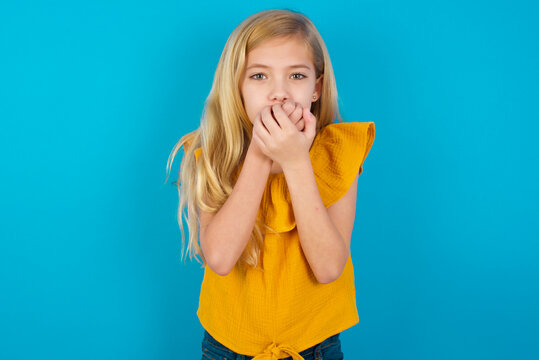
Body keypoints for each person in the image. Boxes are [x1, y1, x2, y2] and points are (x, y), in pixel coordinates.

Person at [165, 8, 375, 360]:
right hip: (227, 349)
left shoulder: (338, 154)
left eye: (296, 75)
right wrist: (261, 156)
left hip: (315, 348)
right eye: (260, 76)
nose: (279, 93)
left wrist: (295, 162)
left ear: (316, 88)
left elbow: (328, 268)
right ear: (238, 86)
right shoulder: (214, 156)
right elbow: (219, 257)